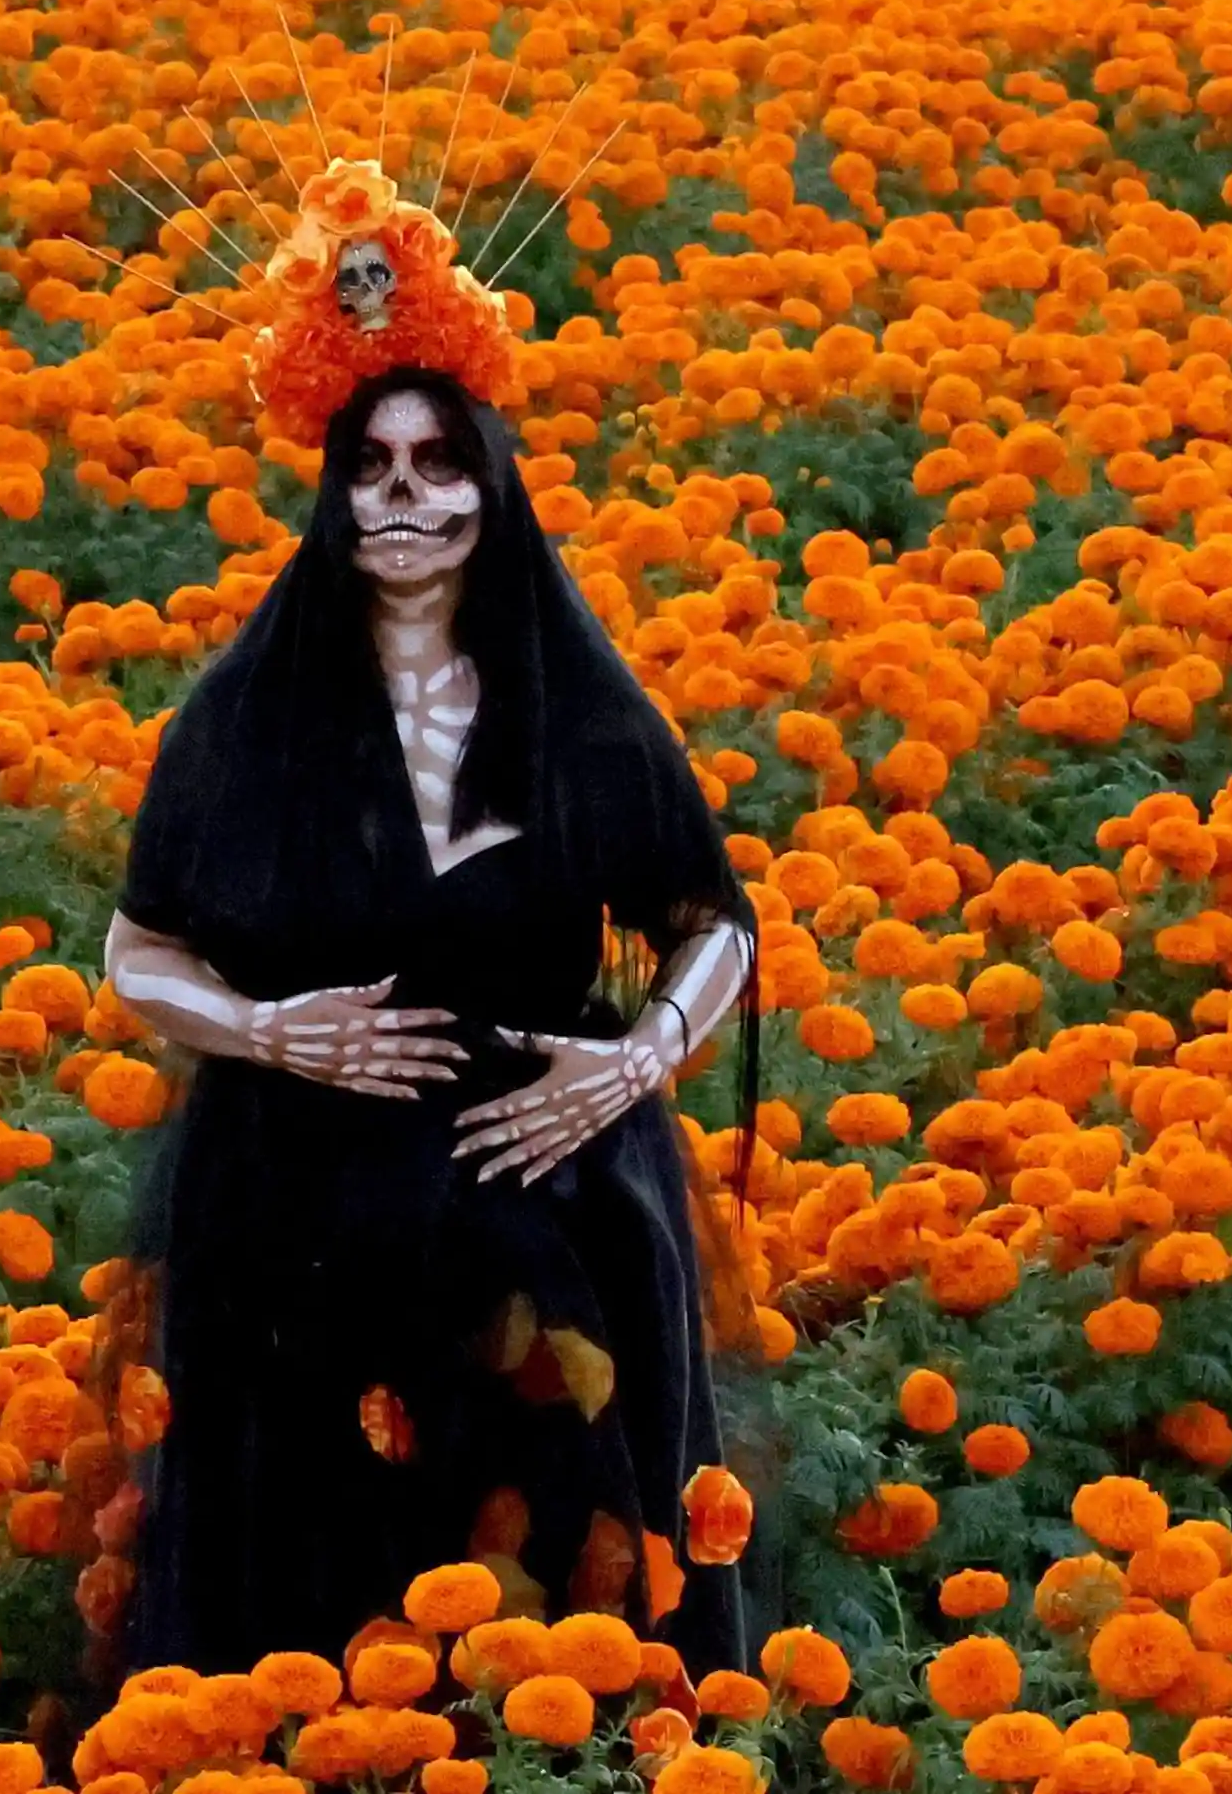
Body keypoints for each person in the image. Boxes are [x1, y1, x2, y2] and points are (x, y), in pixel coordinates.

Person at [92, 350, 766, 1683]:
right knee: (310, 1536)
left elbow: (714, 922)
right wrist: (270, 1028)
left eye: (438, 467)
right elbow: (138, 947)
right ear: (335, 501)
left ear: (489, 491)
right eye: (372, 470)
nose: (405, 499)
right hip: (297, 1203)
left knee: (565, 1530)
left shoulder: (571, 713)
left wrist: (637, 1058)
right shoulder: (252, 716)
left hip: (547, 1198)